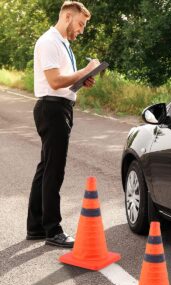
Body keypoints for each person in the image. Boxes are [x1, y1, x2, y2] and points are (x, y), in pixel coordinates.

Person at [26, 1, 99, 248]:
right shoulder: (48, 41)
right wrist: (87, 69)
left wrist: (82, 78)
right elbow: (55, 81)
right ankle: (53, 230)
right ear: (68, 17)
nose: (81, 30)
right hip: (52, 108)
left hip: (59, 107)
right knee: (54, 170)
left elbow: (65, 80)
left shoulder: (63, 44)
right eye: (80, 24)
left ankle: (35, 227)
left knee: (46, 167)